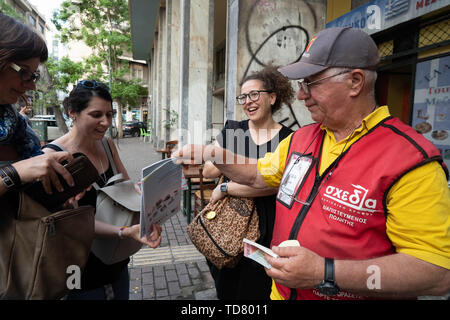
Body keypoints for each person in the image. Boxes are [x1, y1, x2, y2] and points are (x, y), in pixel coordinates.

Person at [174, 27, 450, 299]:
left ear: (355, 82)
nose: (301, 95)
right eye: (300, 84)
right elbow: (259, 176)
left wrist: (325, 272)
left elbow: (436, 273)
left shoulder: (410, 160)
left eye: (311, 83)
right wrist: (213, 153)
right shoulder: (302, 138)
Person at [43, 80, 162, 300]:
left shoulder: (107, 144)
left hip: (115, 257)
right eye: (96, 114)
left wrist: (154, 200)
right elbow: (71, 223)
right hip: (79, 267)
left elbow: (128, 187)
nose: (105, 122)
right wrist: (125, 231)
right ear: (72, 113)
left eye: (109, 114)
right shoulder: (52, 157)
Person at [201, 66, 294, 300]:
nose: (248, 102)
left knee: (259, 289)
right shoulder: (234, 130)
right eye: (243, 96)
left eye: (254, 95)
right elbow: (208, 170)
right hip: (229, 224)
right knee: (228, 287)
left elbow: (276, 184)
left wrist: (227, 186)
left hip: (269, 226)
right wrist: (226, 156)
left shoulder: (290, 138)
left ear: (272, 97)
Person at [0, 12, 75, 200]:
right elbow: (18, 172)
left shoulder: (17, 125)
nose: (31, 85)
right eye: (23, 72)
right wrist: (13, 173)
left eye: (33, 75)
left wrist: (54, 182)